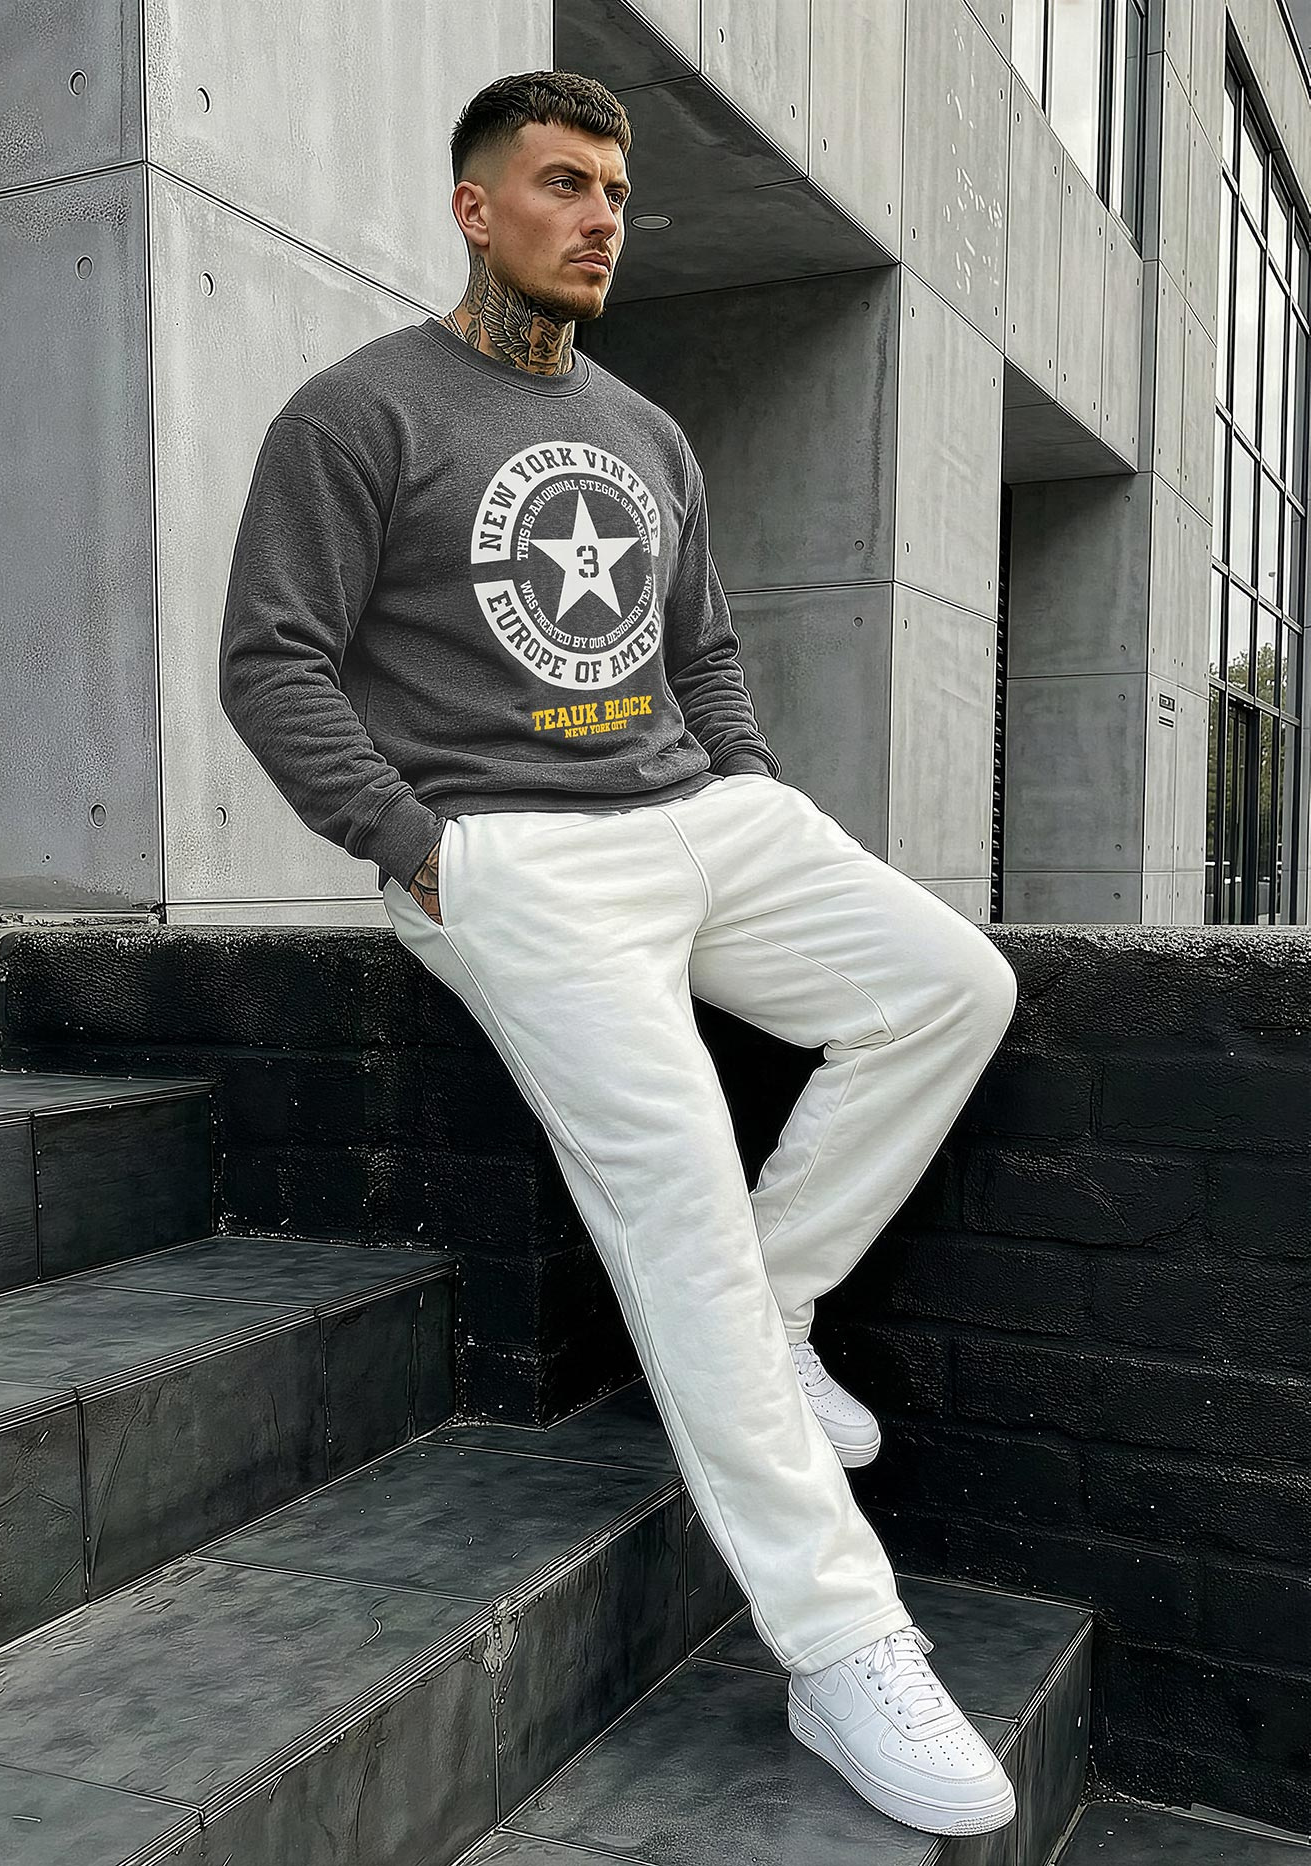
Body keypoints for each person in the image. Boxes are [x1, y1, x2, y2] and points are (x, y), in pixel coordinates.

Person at [218, 67, 1020, 1840]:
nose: (599, 219)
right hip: (506, 855)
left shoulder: (648, 431)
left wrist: (750, 793)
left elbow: (702, 650)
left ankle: (780, 1298)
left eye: (615, 193)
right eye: (563, 184)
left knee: (954, 986)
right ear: (473, 205)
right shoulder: (356, 412)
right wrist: (418, 848)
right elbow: (270, 659)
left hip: (696, 817)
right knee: (675, 1188)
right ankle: (841, 1642)